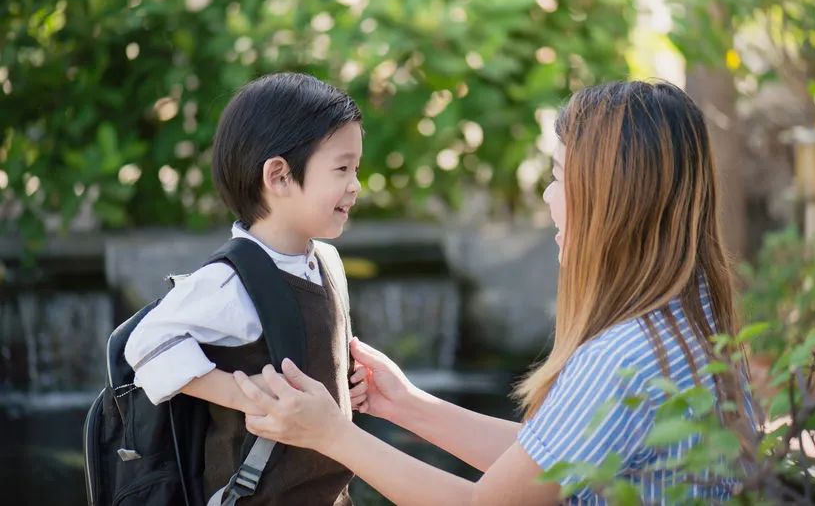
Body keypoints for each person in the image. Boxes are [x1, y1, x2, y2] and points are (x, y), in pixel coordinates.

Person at [232, 80, 757, 504]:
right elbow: (546, 464)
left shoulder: (622, 357)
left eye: (558, 177)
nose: (550, 197)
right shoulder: (691, 324)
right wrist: (406, 405)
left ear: (610, 200)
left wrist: (331, 435)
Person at [124, 72, 368, 505]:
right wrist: (245, 394)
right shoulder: (231, 280)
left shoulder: (324, 261)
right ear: (278, 176)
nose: (356, 184)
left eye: (356, 168)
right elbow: (147, 343)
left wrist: (347, 383)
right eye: (342, 168)